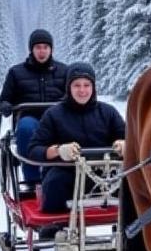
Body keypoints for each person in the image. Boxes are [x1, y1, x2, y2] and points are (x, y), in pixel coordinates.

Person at [28, 62, 125, 214]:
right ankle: (53, 227)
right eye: (76, 85)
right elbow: (34, 149)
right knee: (55, 182)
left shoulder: (108, 112)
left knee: (133, 179)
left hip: (104, 174)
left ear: (93, 87)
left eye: (86, 85)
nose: (82, 90)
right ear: (68, 87)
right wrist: (58, 151)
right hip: (67, 173)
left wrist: (124, 144)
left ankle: (136, 229)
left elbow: (129, 138)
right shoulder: (53, 114)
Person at [0, 28, 67, 184]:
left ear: (51, 49)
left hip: (56, 117)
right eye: (38, 47)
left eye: (46, 47)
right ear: (31, 49)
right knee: (26, 128)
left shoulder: (64, 71)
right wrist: (4, 106)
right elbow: (6, 98)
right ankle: (32, 178)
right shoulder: (16, 73)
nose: (42, 51)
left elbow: (71, 95)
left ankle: (65, 173)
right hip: (29, 117)